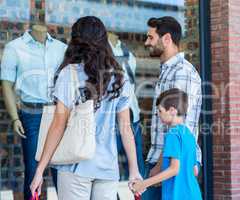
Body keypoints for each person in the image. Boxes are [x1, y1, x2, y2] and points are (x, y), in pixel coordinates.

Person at [29, 16, 142, 200]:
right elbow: (125, 128)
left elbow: (58, 125)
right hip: (107, 168)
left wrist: (40, 170)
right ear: (104, 41)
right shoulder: (119, 78)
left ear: (76, 41)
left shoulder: (69, 74)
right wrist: (134, 170)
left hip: (75, 164)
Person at [0, 24, 67, 200]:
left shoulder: (61, 49)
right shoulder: (14, 48)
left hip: (58, 111)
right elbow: (6, 84)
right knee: (33, 168)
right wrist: (15, 118)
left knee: (61, 169)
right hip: (31, 114)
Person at [142, 16, 202, 200]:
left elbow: (181, 126)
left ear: (166, 38)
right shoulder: (168, 71)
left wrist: (159, 166)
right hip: (164, 159)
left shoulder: (182, 72)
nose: (146, 42)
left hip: (171, 163)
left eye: (151, 37)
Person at [131, 88, 202, 200]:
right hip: (193, 194)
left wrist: (144, 184)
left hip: (177, 196)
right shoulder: (188, 134)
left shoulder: (172, 134)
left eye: (160, 111)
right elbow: (194, 170)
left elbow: (174, 169)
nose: (158, 115)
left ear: (172, 111)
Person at [108, 32, 145, 180]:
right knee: (111, 166)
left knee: (137, 166)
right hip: (111, 120)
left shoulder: (129, 55)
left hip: (132, 116)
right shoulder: (101, 53)